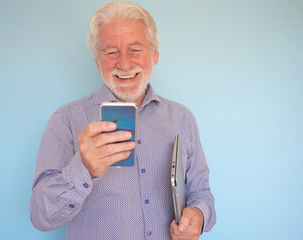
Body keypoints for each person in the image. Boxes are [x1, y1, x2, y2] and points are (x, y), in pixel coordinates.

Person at [30, 1, 216, 239]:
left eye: (135, 49)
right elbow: (41, 216)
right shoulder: (66, 120)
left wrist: (198, 216)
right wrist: (83, 169)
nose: (124, 63)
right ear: (98, 60)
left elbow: (201, 194)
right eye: (110, 52)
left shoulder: (183, 119)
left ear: (155, 54)